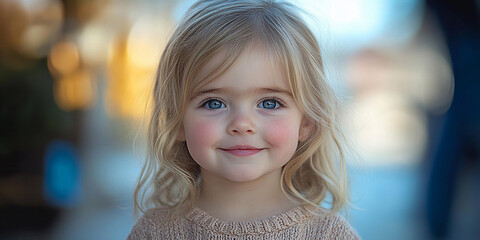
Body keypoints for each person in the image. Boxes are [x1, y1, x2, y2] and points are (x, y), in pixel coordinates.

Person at [127, 0, 360, 239]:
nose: (242, 124)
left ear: (307, 121)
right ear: (175, 121)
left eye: (269, 103)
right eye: (214, 103)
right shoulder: (155, 232)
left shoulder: (329, 234)